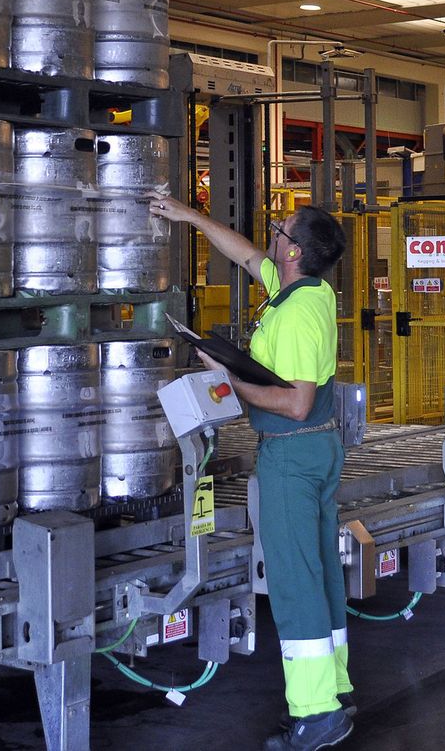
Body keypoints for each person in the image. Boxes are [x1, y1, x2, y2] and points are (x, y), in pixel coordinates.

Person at [149, 195, 354, 751]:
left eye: (281, 231)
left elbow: (295, 403)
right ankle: (334, 690)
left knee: (295, 580)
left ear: (294, 251)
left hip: (291, 453)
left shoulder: (296, 316)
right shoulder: (307, 290)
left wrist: (229, 379)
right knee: (320, 572)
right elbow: (245, 256)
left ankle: (315, 712)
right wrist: (190, 217)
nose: (272, 235)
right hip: (315, 450)